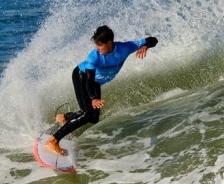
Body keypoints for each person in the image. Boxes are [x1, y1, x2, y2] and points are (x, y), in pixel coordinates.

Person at [46, 25, 158, 155]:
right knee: (87, 114)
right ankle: (53, 141)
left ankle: (64, 117)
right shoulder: (94, 57)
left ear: (109, 43)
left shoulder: (125, 48)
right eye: (96, 46)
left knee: (93, 119)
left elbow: (153, 40)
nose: (97, 49)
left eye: (100, 46)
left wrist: (146, 46)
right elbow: (89, 80)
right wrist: (93, 98)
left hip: (95, 82)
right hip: (82, 77)